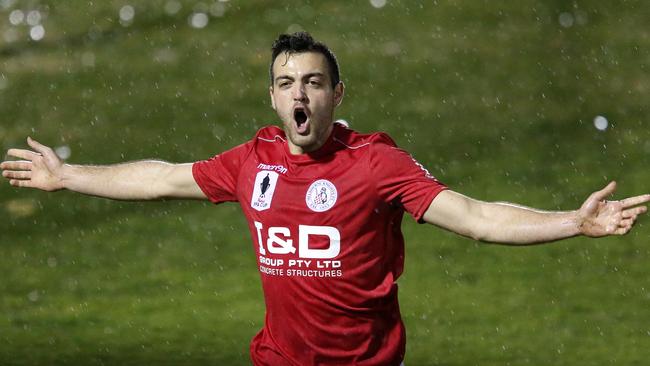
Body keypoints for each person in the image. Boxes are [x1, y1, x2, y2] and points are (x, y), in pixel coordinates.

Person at [1, 32, 648, 366]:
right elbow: (164, 176)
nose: (300, 95)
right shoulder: (252, 161)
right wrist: (69, 175)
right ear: (274, 97)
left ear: (340, 94)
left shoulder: (376, 165)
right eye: (287, 84)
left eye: (313, 82)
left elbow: (476, 218)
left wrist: (573, 221)